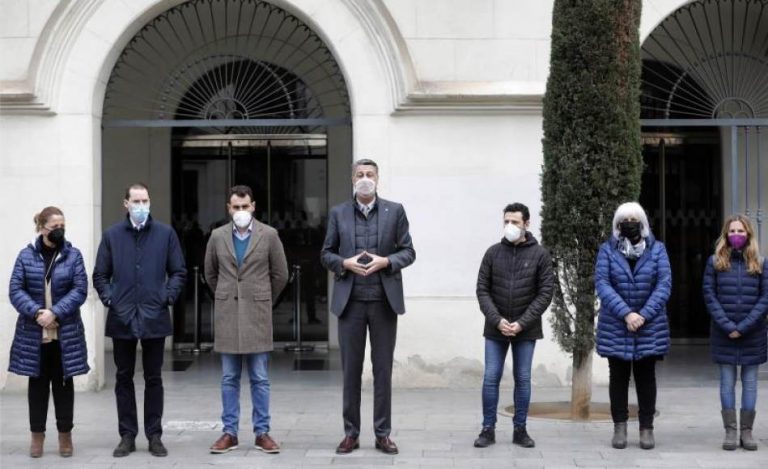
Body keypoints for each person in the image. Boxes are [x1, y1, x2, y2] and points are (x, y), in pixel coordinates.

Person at [320, 158, 415, 455]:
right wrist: (344, 263)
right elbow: (326, 253)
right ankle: (351, 433)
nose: (365, 178)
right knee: (351, 372)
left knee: (382, 371)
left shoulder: (395, 211)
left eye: (370, 174)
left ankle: (382, 434)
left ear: (377, 179)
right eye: (360, 174)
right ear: (352, 179)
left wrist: (386, 261)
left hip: (384, 302)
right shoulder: (338, 213)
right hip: (350, 304)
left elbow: (408, 251)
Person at [93, 183, 186, 458]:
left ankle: (154, 435)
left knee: (154, 377)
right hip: (122, 317)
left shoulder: (165, 234)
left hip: (154, 316)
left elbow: (178, 271)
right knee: (123, 377)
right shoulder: (112, 236)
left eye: (145, 200)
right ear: (126, 204)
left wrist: (167, 296)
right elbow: (100, 274)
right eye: (136, 201)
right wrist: (110, 299)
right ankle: (127, 435)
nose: (141, 206)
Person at [205, 185, 289, 454]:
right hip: (228, 314)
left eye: (245, 206)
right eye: (236, 207)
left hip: (258, 314)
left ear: (253, 206)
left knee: (260, 378)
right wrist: (226, 295)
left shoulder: (269, 235)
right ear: (229, 208)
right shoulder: (217, 236)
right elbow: (210, 273)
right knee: (229, 377)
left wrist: (263, 299)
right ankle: (229, 433)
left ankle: (262, 432)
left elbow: (281, 274)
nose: (240, 211)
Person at [9, 207, 89, 458]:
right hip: (35, 334)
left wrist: (54, 313)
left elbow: (80, 289)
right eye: (55, 227)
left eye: (62, 226)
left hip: (65, 332)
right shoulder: (26, 256)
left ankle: (65, 436)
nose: (59, 231)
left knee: (64, 385)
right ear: (42, 227)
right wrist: (38, 314)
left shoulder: (73, 255)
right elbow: (15, 290)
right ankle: (37, 436)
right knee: (38, 386)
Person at [473, 203, 554, 449]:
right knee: (491, 377)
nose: (510, 226)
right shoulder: (493, 253)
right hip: (495, 328)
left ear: (526, 224)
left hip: (525, 329)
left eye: (515, 222)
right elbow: (482, 290)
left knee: (523, 378)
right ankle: (488, 429)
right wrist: (497, 320)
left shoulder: (540, 255)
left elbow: (545, 293)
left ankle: (520, 429)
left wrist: (521, 323)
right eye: (506, 221)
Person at [595, 201, 671, 450]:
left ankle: (646, 428)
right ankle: (620, 427)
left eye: (634, 219)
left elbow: (664, 285)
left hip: (649, 325)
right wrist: (627, 314)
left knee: (646, 378)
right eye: (624, 220)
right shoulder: (607, 251)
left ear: (643, 223)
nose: (629, 224)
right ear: (617, 225)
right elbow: (603, 284)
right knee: (618, 378)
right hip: (616, 325)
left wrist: (643, 315)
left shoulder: (657, 250)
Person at [703, 214, 768, 451]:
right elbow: (709, 295)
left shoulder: (761, 262)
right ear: (726, 234)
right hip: (724, 334)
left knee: (750, 384)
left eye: (741, 231)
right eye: (732, 231)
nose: (736, 235)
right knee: (726, 384)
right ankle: (730, 431)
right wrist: (728, 326)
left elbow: (765, 298)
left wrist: (744, 326)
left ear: (748, 234)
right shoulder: (714, 262)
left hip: (753, 334)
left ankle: (746, 432)